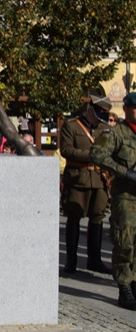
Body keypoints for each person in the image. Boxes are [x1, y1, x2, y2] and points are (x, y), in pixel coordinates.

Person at [90, 91, 136, 310]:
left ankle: (133, 280)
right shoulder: (116, 133)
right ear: (126, 109)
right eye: (134, 108)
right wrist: (124, 172)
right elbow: (97, 154)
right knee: (124, 241)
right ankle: (124, 285)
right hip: (125, 196)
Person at [60, 92, 112, 274]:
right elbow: (66, 150)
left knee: (97, 218)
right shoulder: (71, 125)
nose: (101, 118)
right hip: (78, 178)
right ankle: (71, 260)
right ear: (90, 109)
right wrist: (91, 156)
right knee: (74, 217)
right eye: (99, 113)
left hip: (99, 179)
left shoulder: (105, 128)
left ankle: (94, 259)